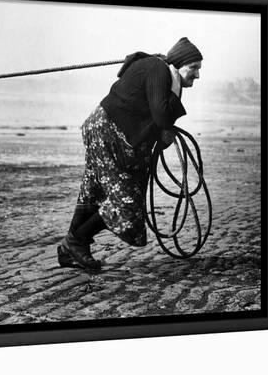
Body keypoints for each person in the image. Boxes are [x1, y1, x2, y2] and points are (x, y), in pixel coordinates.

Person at [58, 37, 203, 271]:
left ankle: (68, 249)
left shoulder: (161, 72)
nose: (197, 75)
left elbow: (157, 121)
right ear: (177, 64)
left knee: (95, 190)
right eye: (193, 68)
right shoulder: (159, 70)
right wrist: (175, 90)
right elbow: (162, 117)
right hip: (109, 134)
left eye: (199, 69)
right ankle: (76, 241)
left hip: (108, 132)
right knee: (127, 204)